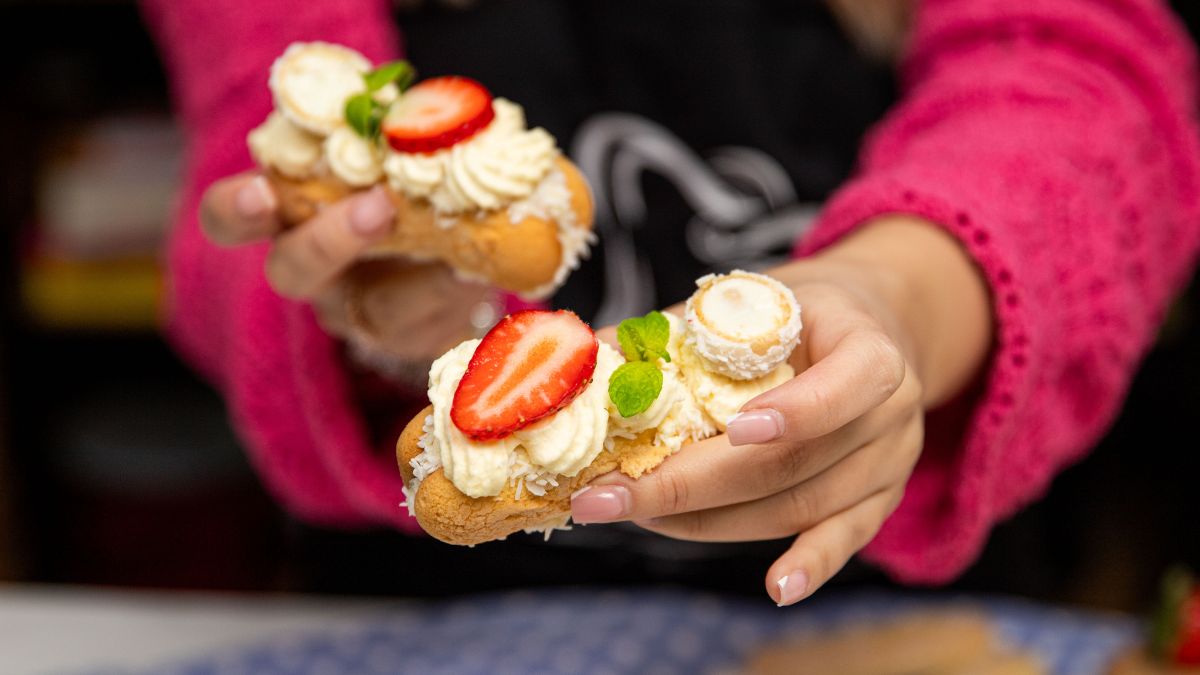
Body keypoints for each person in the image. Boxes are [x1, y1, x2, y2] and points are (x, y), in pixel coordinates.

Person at [141, 0, 1200, 605]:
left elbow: (1086, 86)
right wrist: (361, 305)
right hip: (434, 609)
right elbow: (249, 142)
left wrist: (899, 295)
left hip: (886, 596)